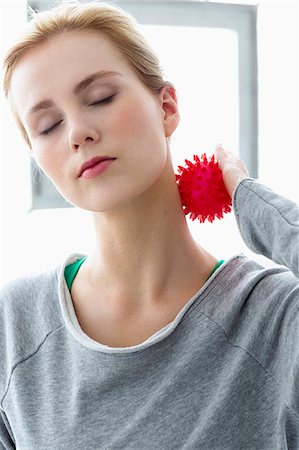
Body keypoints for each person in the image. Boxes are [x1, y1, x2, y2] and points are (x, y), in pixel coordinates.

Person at [1, 1, 298, 449]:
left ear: (167, 107)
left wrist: (252, 203)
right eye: (47, 125)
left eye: (100, 98)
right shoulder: (14, 325)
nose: (77, 131)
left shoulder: (273, 316)